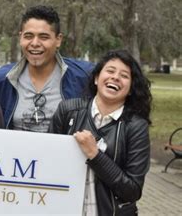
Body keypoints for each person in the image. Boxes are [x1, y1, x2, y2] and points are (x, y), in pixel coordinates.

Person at [50, 49, 151, 215]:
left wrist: (95, 155)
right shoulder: (68, 110)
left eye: (124, 76)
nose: (115, 77)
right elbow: (47, 161)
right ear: (97, 78)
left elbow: (132, 191)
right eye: (110, 71)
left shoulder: (136, 127)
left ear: (131, 89)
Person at [0, 5, 93, 131]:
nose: (34, 43)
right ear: (20, 37)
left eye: (43, 37)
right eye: (28, 36)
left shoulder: (83, 77)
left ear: (58, 40)